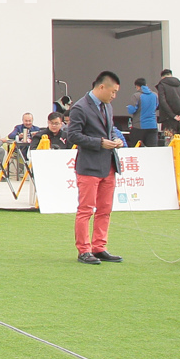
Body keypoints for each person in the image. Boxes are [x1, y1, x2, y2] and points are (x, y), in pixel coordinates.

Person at [67, 71, 126, 265]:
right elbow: (73, 135)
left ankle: (99, 247)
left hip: (108, 165)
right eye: (113, 91)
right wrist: (99, 142)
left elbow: (110, 130)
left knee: (105, 209)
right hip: (89, 166)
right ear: (102, 87)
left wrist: (116, 140)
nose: (114, 96)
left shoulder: (107, 106)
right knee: (86, 210)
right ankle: (84, 250)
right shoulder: (80, 107)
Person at [155, 68, 180, 138]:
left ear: (162, 77)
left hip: (168, 119)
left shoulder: (162, 85)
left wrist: (173, 116)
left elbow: (162, 102)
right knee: (177, 142)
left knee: (169, 142)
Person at [131, 77, 161, 146]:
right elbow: (156, 106)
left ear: (137, 86)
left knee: (136, 148)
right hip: (153, 125)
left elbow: (131, 110)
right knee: (152, 149)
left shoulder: (136, 96)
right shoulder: (155, 95)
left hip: (139, 126)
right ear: (146, 85)